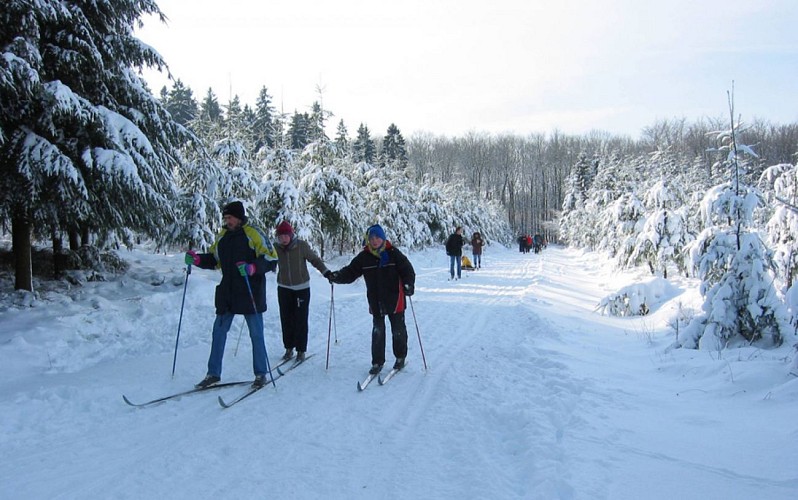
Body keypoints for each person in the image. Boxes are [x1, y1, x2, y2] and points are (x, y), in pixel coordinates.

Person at [185, 201, 278, 389]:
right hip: (227, 292)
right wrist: (197, 259)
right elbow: (214, 259)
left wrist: (253, 267)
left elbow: (271, 257)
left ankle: (261, 373)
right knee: (218, 332)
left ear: (239, 217)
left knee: (256, 334)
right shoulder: (223, 237)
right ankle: (213, 373)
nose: (227, 221)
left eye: (230, 218)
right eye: (225, 218)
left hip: (250, 290)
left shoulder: (253, 233)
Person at [328, 224, 415, 375]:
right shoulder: (364, 257)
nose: (374, 241)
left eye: (377, 237)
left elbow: (408, 270)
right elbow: (350, 272)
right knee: (378, 331)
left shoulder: (394, 254)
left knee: (398, 330)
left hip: (396, 299)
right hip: (376, 300)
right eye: (371, 238)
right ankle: (377, 362)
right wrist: (337, 276)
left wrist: (408, 284)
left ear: (383, 238)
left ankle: (400, 357)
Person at [274, 220, 333, 362]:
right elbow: (266, 260)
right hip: (284, 288)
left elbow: (315, 260)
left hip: (301, 288)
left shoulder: (301, 246)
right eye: (280, 236)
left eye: (286, 236)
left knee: (300, 319)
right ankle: (288, 348)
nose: (283, 239)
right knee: (286, 319)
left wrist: (326, 272)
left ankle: (301, 350)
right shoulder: (276, 248)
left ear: (291, 234)